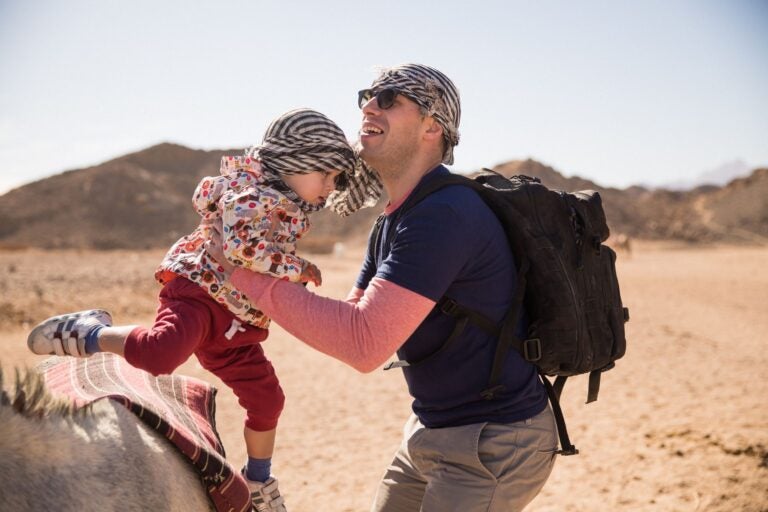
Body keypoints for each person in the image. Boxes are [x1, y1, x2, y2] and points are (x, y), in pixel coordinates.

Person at [211, 64, 559, 511]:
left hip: (494, 441)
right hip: (431, 430)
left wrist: (242, 274)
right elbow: (353, 319)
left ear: (433, 126)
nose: (369, 106)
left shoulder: (444, 214)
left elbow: (363, 343)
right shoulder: (395, 218)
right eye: (368, 96)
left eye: (389, 98)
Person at [26, 108, 360, 512]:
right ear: (295, 163)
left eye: (336, 179)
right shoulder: (248, 193)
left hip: (238, 318)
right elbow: (240, 250)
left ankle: (258, 479)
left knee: (267, 397)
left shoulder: (289, 199)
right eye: (326, 174)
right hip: (199, 294)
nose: (331, 187)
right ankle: (89, 332)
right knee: (160, 354)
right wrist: (298, 268)